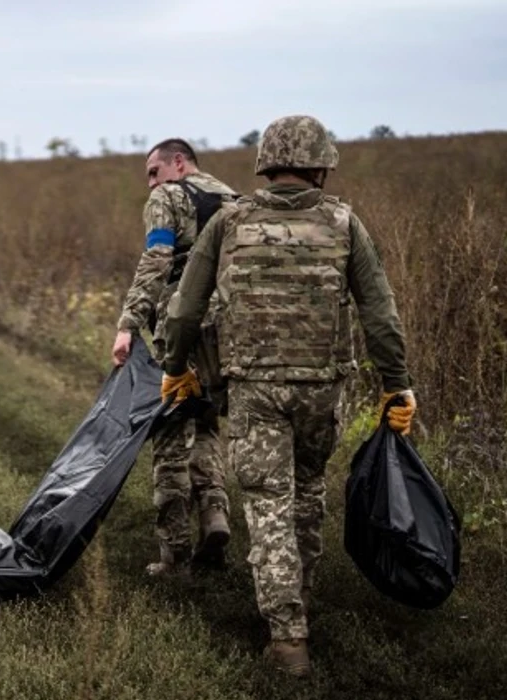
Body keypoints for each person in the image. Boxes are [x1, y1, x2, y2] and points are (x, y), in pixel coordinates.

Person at [158, 115, 415, 677]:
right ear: (322, 165)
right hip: (324, 388)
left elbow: (183, 309)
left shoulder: (228, 222)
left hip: (255, 388)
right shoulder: (346, 224)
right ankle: (299, 602)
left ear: (266, 164)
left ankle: (287, 636)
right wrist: (398, 383)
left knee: (267, 500)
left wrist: (175, 368)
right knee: (307, 493)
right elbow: (380, 314)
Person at [111, 138, 239, 577]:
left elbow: (157, 260)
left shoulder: (168, 197)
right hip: (230, 332)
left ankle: (175, 555)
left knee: (168, 430)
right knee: (205, 423)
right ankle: (215, 516)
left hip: (182, 326)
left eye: (153, 171)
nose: (151, 184)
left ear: (178, 163)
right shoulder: (235, 200)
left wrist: (128, 324)